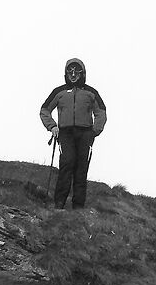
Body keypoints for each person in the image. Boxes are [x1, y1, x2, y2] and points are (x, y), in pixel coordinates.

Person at [38, 57, 107, 209]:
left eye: (77, 72)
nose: (73, 75)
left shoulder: (91, 92)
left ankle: (78, 208)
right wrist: (52, 126)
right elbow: (44, 110)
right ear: (66, 74)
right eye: (70, 72)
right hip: (65, 134)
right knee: (67, 164)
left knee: (81, 169)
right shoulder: (59, 92)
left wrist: (94, 132)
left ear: (83, 73)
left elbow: (101, 112)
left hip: (85, 134)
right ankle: (59, 205)